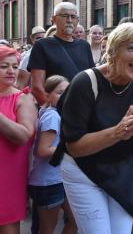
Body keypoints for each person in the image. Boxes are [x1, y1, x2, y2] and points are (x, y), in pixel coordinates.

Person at [59, 22, 133, 233]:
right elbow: (74, 147)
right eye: (132, 47)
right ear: (112, 51)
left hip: (124, 172)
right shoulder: (85, 83)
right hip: (83, 172)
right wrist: (115, 133)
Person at [28, 75, 77, 234]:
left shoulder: (51, 111)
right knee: (47, 229)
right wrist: (72, 148)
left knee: (76, 221)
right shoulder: (52, 116)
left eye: (68, 91)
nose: (65, 96)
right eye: (60, 92)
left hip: (59, 179)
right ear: (48, 95)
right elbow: (43, 150)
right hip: (48, 183)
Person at [0, 45, 37, 233]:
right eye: (4, 66)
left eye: (15, 66)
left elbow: (24, 135)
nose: (11, 71)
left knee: (8, 225)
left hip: (8, 176)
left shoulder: (22, 98)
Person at [28, 2, 94, 105]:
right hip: (56, 113)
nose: (69, 20)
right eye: (64, 16)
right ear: (54, 20)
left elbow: (92, 81)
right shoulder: (42, 46)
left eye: (73, 17)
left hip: (83, 110)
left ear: (77, 20)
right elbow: (37, 88)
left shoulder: (84, 46)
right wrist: (55, 111)